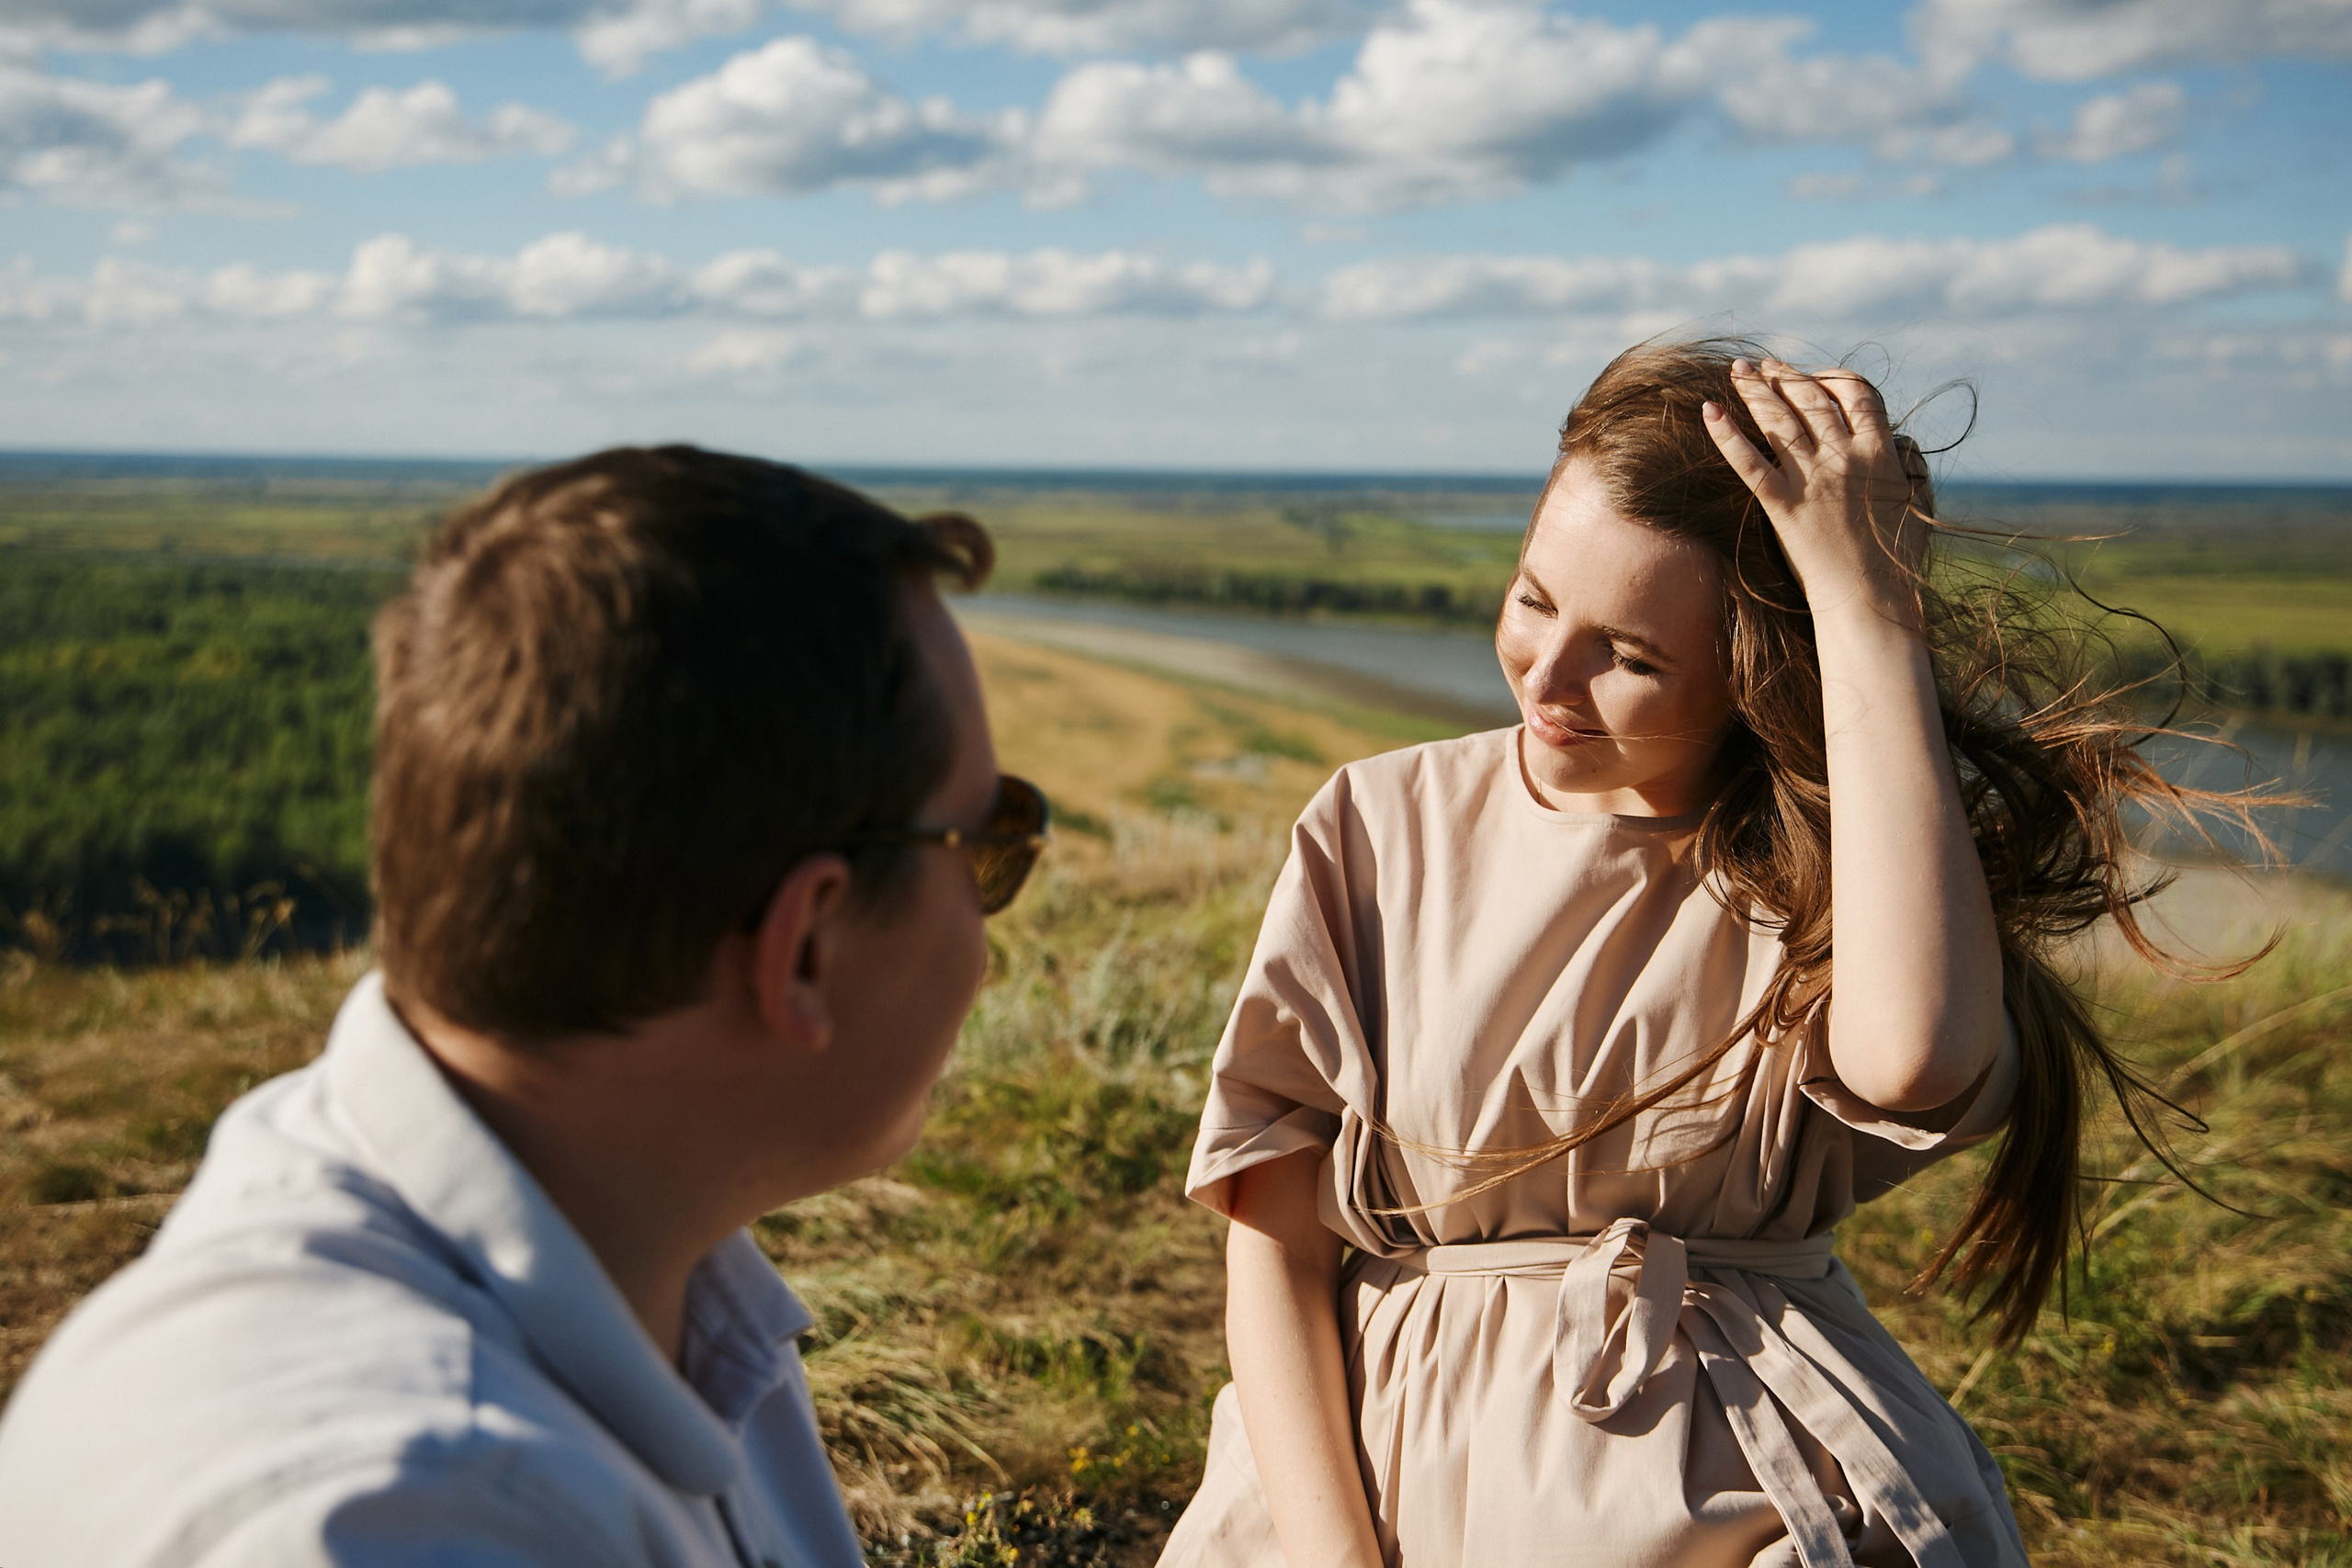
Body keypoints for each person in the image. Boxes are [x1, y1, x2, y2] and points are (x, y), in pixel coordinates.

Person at [1158, 340, 2247, 1568]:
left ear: (1752, 670)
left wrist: (1868, 608)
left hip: (1745, 1505)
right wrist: (1331, 1555)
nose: (1549, 677)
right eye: (1532, 598)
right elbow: (1274, 1226)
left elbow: (1916, 1053)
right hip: (1368, 1480)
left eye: (1631, 656)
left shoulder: (1836, 875)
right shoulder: (1377, 819)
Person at [0, 447, 1049, 1567]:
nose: (995, 920)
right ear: (805, 946)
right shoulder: (418, 1518)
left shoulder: (656, 1265)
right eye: (989, 842)